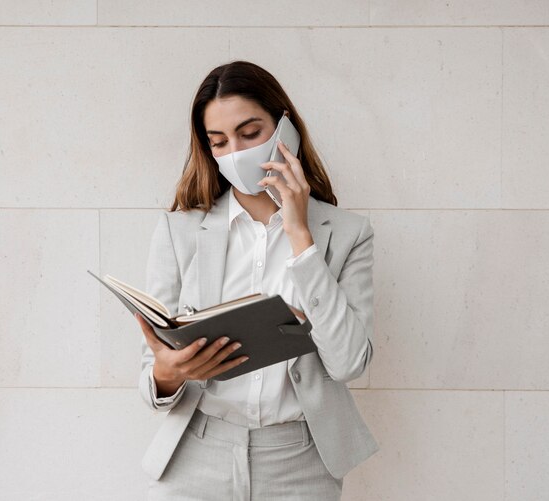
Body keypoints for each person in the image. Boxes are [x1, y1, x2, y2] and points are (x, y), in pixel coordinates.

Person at [134, 60, 379, 501]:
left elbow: (349, 364)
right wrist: (167, 373)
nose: (236, 153)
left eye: (250, 134)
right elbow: (152, 381)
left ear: (286, 126)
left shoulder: (347, 234)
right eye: (219, 142)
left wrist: (301, 237)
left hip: (301, 461)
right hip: (196, 453)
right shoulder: (180, 231)